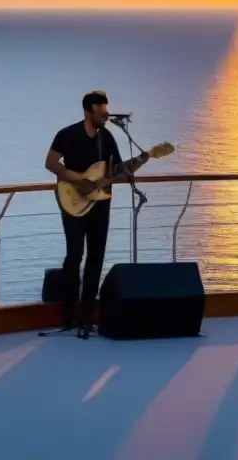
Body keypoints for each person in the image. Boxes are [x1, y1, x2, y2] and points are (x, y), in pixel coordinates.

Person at [44, 90, 149, 337]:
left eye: (107, 112)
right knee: (74, 256)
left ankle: (87, 318)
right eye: (102, 112)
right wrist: (79, 179)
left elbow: (118, 171)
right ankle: (69, 315)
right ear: (89, 110)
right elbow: (51, 163)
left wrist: (139, 162)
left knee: (96, 257)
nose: (106, 116)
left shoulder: (108, 138)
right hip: (73, 203)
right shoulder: (67, 134)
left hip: (101, 204)